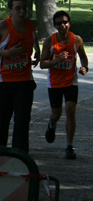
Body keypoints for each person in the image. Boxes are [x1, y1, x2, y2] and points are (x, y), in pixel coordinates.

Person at [0, 0, 40, 152]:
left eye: (24, 8)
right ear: (10, 11)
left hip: (24, 81)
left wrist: (38, 52)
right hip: (3, 82)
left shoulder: (31, 24)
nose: (22, 12)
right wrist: (8, 53)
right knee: (2, 120)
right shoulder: (2, 26)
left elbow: (33, 38)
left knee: (22, 121)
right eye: (18, 8)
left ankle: (20, 157)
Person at [40, 11, 88, 159]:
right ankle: (51, 125)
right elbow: (42, 64)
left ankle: (69, 146)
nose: (63, 25)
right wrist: (57, 60)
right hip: (54, 82)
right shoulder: (49, 41)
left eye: (65, 22)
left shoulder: (77, 40)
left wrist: (84, 68)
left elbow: (84, 59)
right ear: (55, 26)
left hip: (70, 81)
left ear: (70, 23)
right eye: (59, 23)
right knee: (56, 113)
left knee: (70, 110)